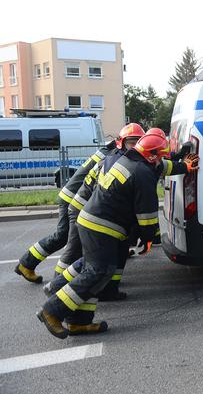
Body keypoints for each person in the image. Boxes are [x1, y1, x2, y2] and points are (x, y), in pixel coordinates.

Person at [37, 132, 170, 338]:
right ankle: (52, 310)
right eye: (160, 155)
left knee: (91, 267)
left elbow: (162, 169)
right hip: (102, 225)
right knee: (99, 271)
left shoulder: (124, 159)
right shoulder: (142, 172)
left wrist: (184, 165)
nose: (161, 160)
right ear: (152, 155)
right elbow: (146, 216)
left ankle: (78, 321)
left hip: (91, 220)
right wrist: (150, 237)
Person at [42, 123, 146, 298]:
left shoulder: (130, 160)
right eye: (131, 142)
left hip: (97, 212)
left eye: (138, 142)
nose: (134, 146)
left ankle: (108, 289)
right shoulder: (114, 159)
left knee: (114, 253)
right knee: (76, 250)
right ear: (121, 142)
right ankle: (57, 283)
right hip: (83, 208)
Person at [14, 139, 118, 284]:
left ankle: (27, 264)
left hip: (72, 194)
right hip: (74, 197)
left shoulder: (108, 150)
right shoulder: (113, 155)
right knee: (66, 237)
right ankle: (32, 266)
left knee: (64, 236)